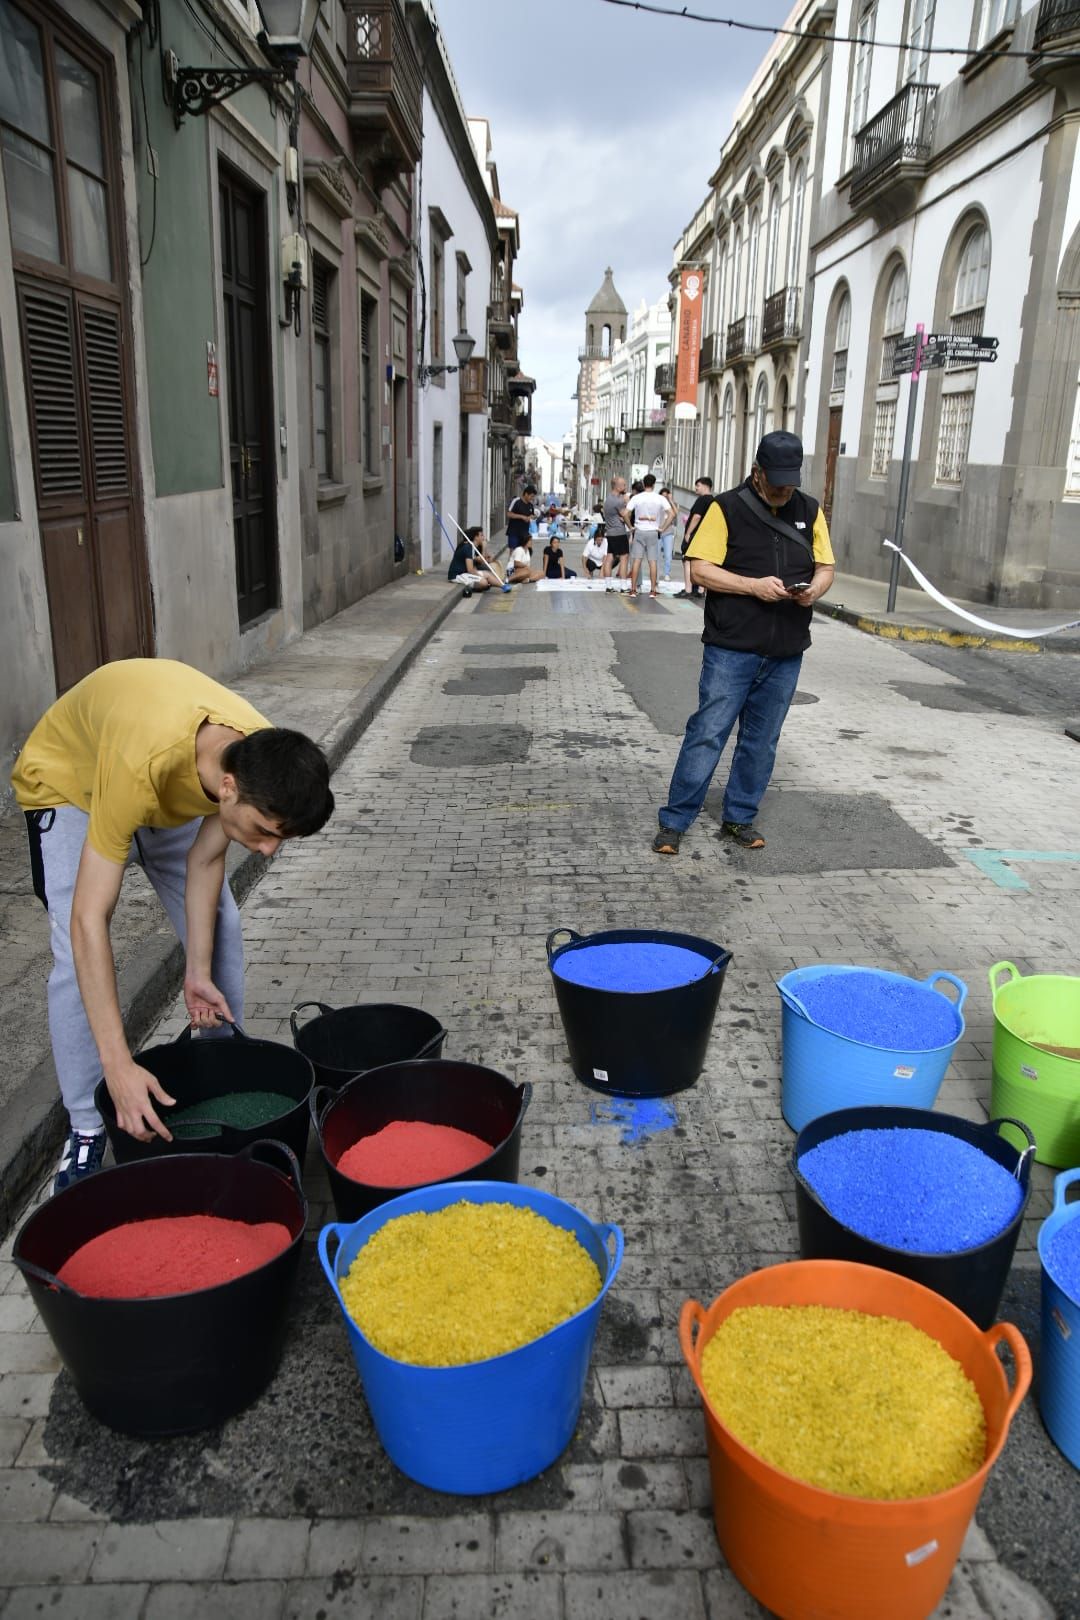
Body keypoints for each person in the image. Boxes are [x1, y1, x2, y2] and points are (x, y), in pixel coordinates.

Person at [11, 659, 335, 1189]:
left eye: (281, 837)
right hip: (71, 783)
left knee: (220, 919)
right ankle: (88, 1125)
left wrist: (197, 971)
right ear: (228, 787)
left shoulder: (259, 754)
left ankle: (222, 1065)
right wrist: (119, 1065)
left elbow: (205, 860)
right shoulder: (140, 766)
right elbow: (90, 920)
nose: (268, 851)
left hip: (157, 777)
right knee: (76, 956)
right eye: (263, 831)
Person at [652, 431, 835, 855]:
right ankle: (674, 821)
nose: (784, 491)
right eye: (777, 483)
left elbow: (826, 566)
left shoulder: (809, 509)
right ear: (757, 473)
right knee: (708, 733)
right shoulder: (726, 508)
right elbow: (700, 569)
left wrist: (814, 590)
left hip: (786, 650)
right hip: (731, 648)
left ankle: (739, 817)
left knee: (762, 740)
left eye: (790, 483)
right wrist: (753, 586)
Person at [625, 474, 676, 600]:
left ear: (643, 484)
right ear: (654, 484)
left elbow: (625, 513)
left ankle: (633, 589)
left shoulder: (637, 497)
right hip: (653, 531)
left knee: (636, 560)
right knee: (653, 561)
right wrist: (662, 527)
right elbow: (671, 514)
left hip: (639, 530)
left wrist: (630, 526)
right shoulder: (660, 498)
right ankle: (653, 590)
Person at [675, 475, 716, 600]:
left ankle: (688, 589)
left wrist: (688, 533)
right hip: (706, 535)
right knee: (702, 561)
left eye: (698, 485)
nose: (696, 488)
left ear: (705, 486)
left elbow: (697, 516)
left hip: (695, 535)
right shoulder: (714, 501)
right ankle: (701, 590)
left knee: (687, 560)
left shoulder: (702, 500)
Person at [448, 526, 501, 594]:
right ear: (476, 537)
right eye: (481, 535)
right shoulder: (468, 547)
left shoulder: (472, 547)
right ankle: (472, 587)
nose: (484, 538)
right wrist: (479, 575)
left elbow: (479, 562)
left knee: (488, 574)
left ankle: (504, 586)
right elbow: (470, 569)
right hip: (458, 575)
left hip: (466, 572)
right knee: (484, 582)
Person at [601, 477, 630, 583]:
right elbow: (625, 515)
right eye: (623, 485)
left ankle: (608, 584)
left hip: (610, 532)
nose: (625, 487)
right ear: (617, 487)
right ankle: (623, 585)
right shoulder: (618, 501)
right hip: (619, 532)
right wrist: (630, 526)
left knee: (610, 557)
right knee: (624, 557)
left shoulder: (608, 498)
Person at [506, 483, 536, 551]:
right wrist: (522, 517)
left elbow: (532, 515)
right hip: (514, 532)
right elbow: (509, 514)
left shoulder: (530, 505)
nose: (532, 498)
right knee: (513, 553)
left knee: (523, 552)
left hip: (525, 533)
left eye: (533, 497)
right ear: (526, 494)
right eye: (531, 496)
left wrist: (531, 517)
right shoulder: (516, 501)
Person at [659, 487, 678, 582]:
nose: (664, 498)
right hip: (658, 532)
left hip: (668, 532)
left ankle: (667, 573)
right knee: (656, 554)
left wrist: (671, 501)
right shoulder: (658, 504)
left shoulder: (671, 505)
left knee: (668, 555)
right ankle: (656, 572)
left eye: (666, 496)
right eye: (663, 496)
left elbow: (676, 513)